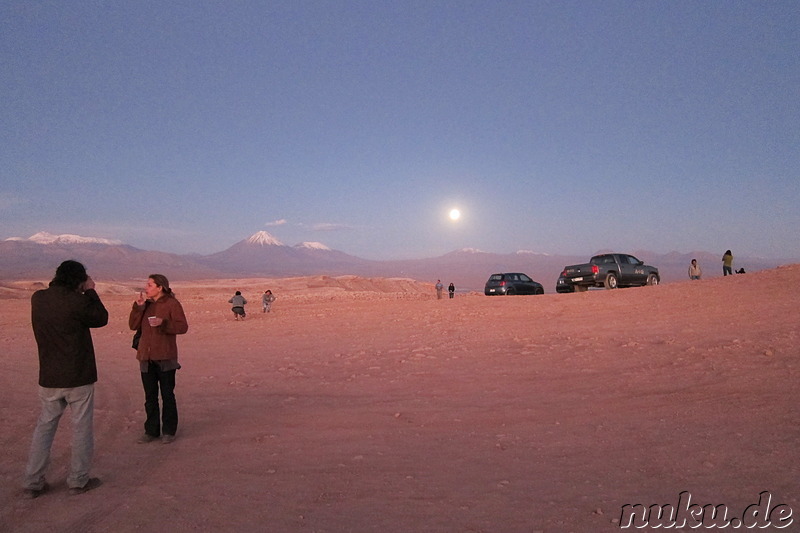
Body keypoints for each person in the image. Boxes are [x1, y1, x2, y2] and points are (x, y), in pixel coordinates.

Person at [23, 260, 108, 498]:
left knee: (44, 428)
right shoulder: (78, 301)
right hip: (78, 376)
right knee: (81, 429)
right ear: (78, 279)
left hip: (49, 376)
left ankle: (33, 481)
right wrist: (90, 290)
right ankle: (78, 480)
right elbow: (101, 318)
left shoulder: (38, 298)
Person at [129, 274, 188, 444]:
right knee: (150, 396)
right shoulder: (144, 305)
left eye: (149, 285)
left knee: (167, 394)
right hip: (145, 357)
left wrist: (163, 323)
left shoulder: (172, 304)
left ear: (160, 287)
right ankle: (151, 431)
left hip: (165, 356)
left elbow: (182, 326)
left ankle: (169, 430)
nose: (146, 288)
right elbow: (132, 326)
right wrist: (138, 308)